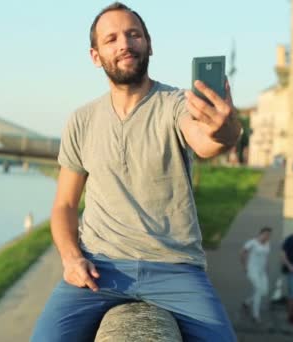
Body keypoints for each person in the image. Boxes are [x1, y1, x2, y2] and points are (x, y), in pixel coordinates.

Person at [31, 2, 242, 341]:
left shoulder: (175, 104)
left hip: (175, 270)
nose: (124, 44)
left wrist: (226, 128)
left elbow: (206, 142)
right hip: (100, 270)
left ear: (149, 44)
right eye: (111, 39)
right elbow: (64, 207)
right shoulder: (81, 120)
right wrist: (72, 260)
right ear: (95, 55)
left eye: (133, 35)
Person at [240, 227, 272, 323]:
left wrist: (266, 267)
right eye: (266, 234)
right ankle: (255, 315)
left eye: (269, 235)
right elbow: (242, 252)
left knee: (264, 291)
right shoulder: (252, 242)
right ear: (261, 234)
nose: (267, 236)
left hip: (262, 272)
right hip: (252, 270)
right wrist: (244, 266)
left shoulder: (267, 243)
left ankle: (247, 302)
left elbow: (265, 256)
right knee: (258, 290)